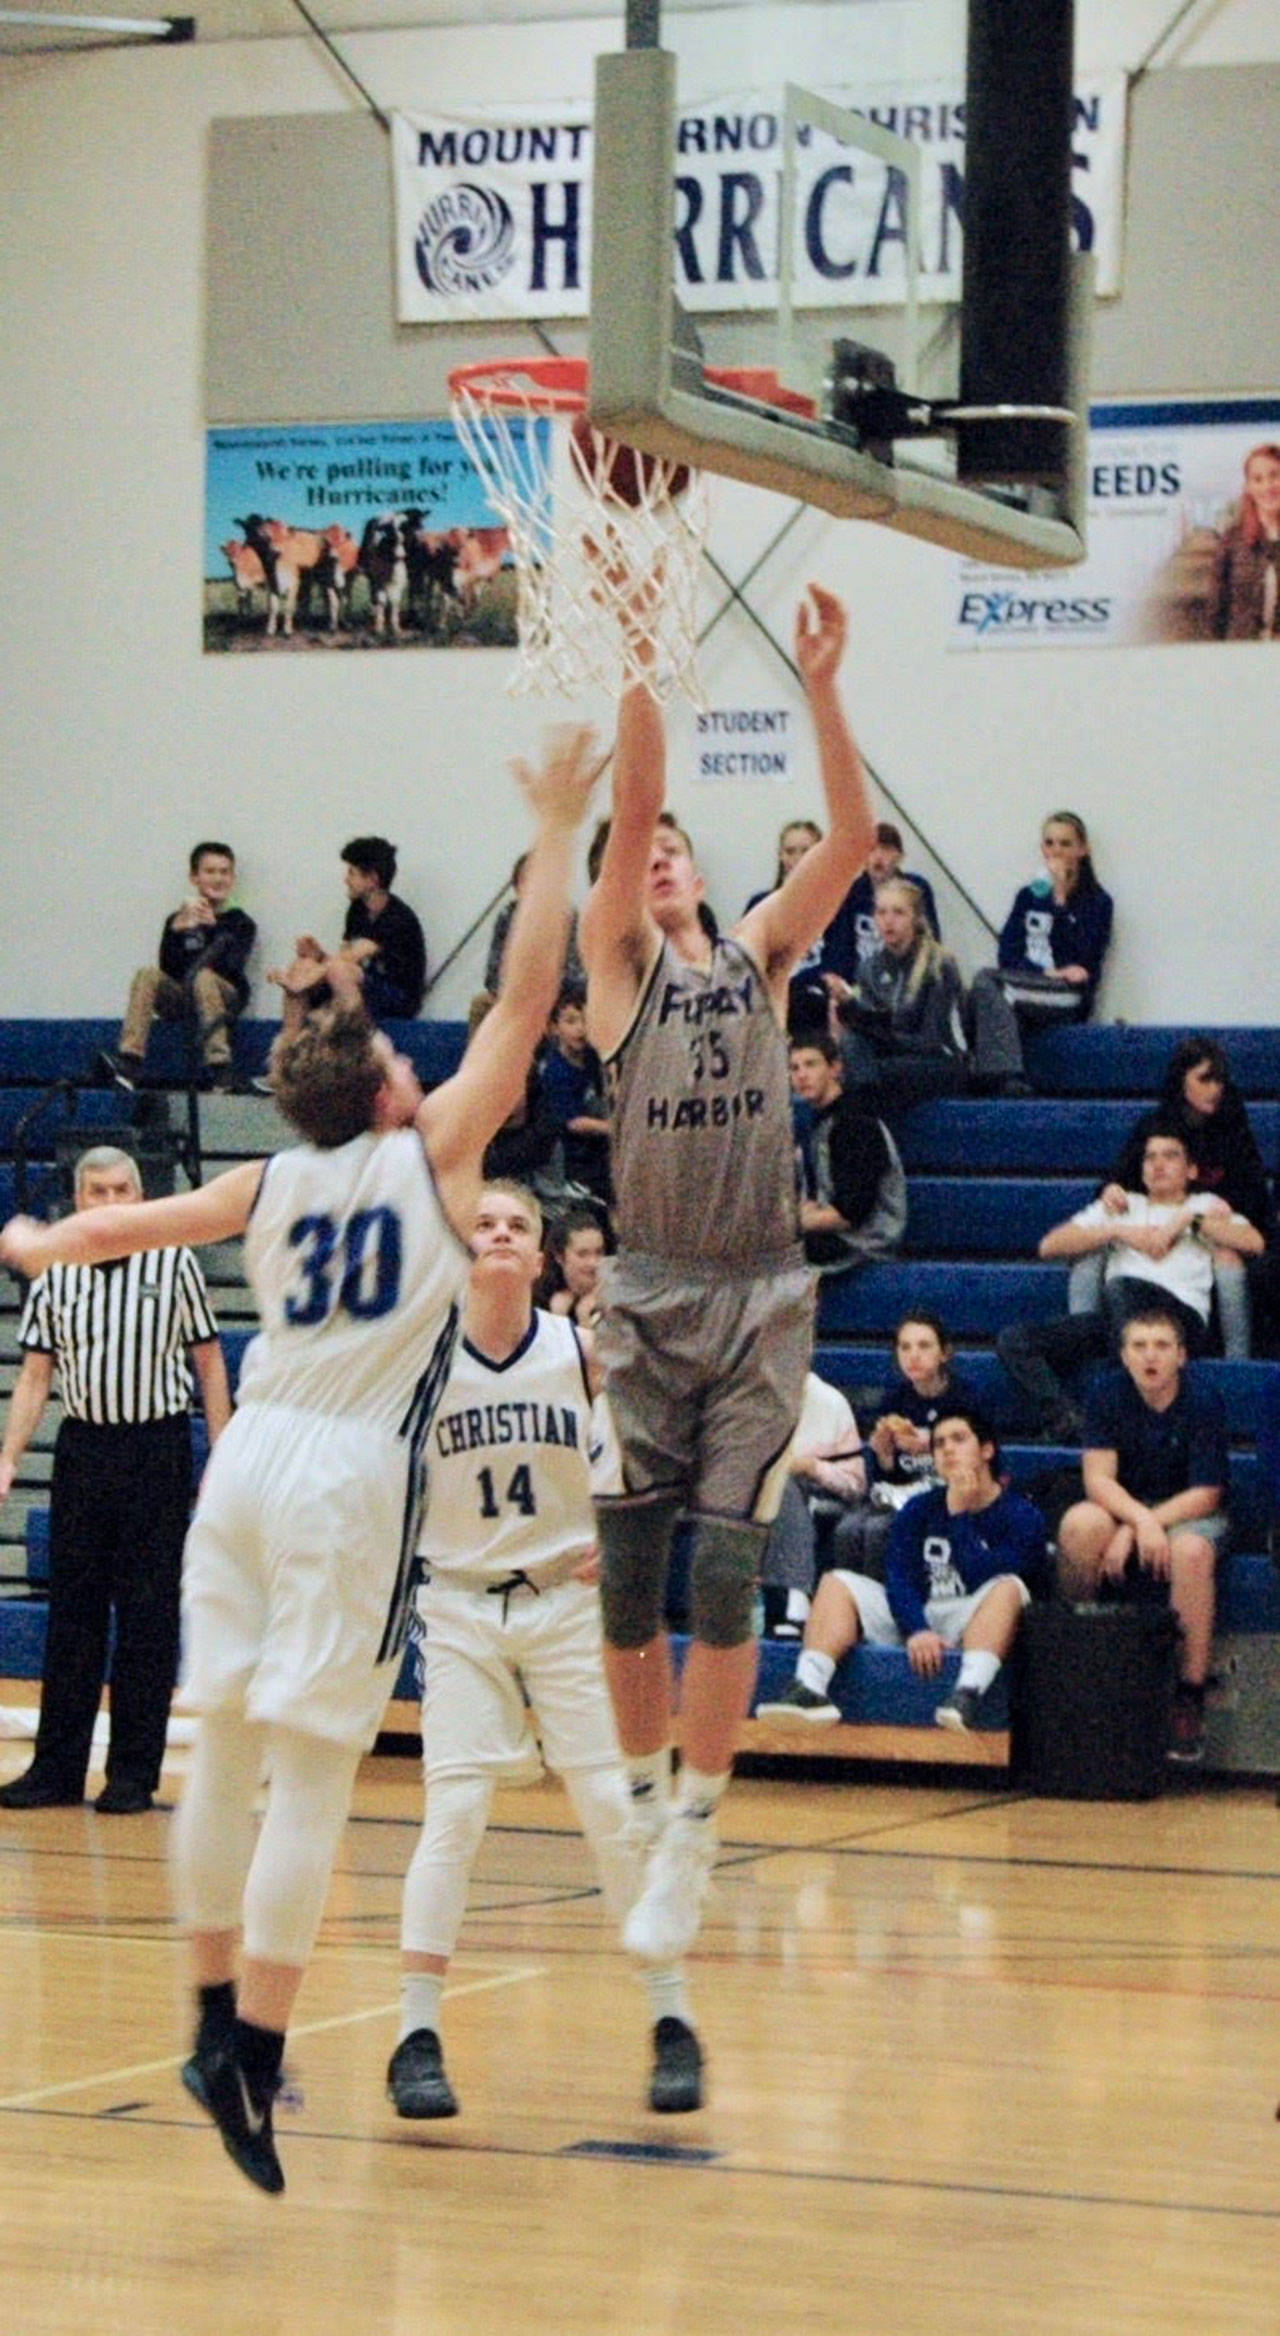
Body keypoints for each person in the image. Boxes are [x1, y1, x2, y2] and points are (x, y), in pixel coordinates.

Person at [0, 728, 600, 2195]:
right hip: (339, 1478)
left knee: (219, 1750)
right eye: (396, 1054)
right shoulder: (430, 1157)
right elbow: (526, 1000)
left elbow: (91, 1235)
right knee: (312, 1790)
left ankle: (209, 2011)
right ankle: (251, 2049)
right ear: (389, 1092)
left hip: (243, 1458)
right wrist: (556, 829)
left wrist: (21, 1240)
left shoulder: (263, 1177)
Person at [580, 576, 873, 1966]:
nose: (660, 857)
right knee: (628, 1588)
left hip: (757, 1290)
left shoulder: (759, 956)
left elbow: (860, 839)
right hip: (645, 1289)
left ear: (707, 871)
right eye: (644, 850)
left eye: (679, 849)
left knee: (723, 1583)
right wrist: (643, 653)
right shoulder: (618, 969)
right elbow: (632, 809)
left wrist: (820, 685)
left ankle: (693, 1830)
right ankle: (644, 1805)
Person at [390, 1180, 702, 2123]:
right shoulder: (420, 1358)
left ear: (541, 1259)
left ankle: (671, 2020)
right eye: (482, 1222)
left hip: (566, 1607)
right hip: (458, 1607)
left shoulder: (580, 1352)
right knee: (455, 1814)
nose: (496, 1234)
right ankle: (416, 2037)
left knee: (611, 1804)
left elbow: (660, 1444)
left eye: (515, 1226)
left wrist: (631, 1530)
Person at [0, 1145, 231, 1816]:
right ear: (78, 1202)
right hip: (83, 1449)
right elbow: (36, 1375)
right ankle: (55, 1770)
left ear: (141, 1194)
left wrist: (223, 1453)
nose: (109, 1203)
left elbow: (210, 1362)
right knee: (72, 1615)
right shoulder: (55, 1272)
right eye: (96, 1192)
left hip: (156, 1449)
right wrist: (10, 1454)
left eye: (121, 1189)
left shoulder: (175, 1261)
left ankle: (133, 1773)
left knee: (148, 1616)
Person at [758, 1404, 1046, 1731]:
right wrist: (917, 1628)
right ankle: (809, 1688)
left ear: (987, 1450)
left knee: (1010, 1587)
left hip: (975, 1617)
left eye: (959, 1439)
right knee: (837, 1583)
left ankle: (967, 1695)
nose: (948, 1449)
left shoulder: (1023, 1515)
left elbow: (982, 1575)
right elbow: (900, 1577)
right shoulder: (918, 1508)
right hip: (920, 1614)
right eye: (939, 1444)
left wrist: (960, 1517)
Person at [997, 1125, 1264, 1440]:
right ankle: (1066, 1417)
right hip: (1115, 1319)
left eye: (1170, 1156)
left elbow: (1254, 1242)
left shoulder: (1204, 1205)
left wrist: (1188, 1222)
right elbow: (1049, 1246)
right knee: (1014, 1339)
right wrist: (1117, 1232)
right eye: (1150, 1158)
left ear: (1191, 1170)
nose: (1158, 1164)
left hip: (1178, 1320)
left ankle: (1120, 1415)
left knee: (1122, 1287)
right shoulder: (1123, 1206)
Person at [1056, 1306, 1229, 1765]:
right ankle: (1080, 1663)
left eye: (1161, 1346)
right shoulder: (1106, 1393)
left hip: (1186, 1509)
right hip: (1129, 1508)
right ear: (1124, 1356)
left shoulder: (1203, 1399)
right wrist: (1138, 1522)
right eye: (1139, 1346)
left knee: (1191, 1550)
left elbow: (1207, 1493)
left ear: (1181, 1356)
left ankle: (1188, 1698)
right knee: (1079, 1524)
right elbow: (1098, 1481)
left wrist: (1148, 1525)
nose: (1150, 1356)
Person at [1067, 1036, 1275, 1347]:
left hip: (1214, 1232)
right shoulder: (1155, 1126)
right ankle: (1083, 1346)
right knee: (1091, 1252)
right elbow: (1120, 1180)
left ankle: (1238, 1363)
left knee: (1231, 1257)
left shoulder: (1234, 1127)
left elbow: (1253, 1203)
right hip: (1159, 1228)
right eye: (1205, 1079)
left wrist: (1198, 1218)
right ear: (1182, 1081)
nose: (1215, 1088)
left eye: (1219, 1080)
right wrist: (1111, 1190)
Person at [968, 812, 1113, 1097]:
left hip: (1068, 995)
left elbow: (1081, 959)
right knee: (981, 988)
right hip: (1032, 982)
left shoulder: (1098, 902)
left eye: (1065, 843)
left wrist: (1059, 902)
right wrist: (1042, 973)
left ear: (1082, 850)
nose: (1056, 851)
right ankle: (995, 1077)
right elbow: (1007, 953)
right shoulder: (1028, 897)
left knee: (990, 982)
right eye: (1050, 843)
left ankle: (1004, 1075)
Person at [833, 1311, 981, 1581]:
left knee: (880, 1530)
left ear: (944, 1353)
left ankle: (885, 1607)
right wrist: (885, 1456)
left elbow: (980, 1463)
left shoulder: (965, 1399)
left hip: (948, 1495)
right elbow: (886, 1479)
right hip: (900, 1495)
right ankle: (848, 1607)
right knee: (848, 1529)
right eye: (905, 1347)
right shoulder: (895, 1401)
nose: (913, 1355)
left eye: (924, 1346)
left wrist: (934, 1444)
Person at [111, 841, 256, 1088]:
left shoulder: (240, 922)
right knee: (147, 974)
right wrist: (178, 930)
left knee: (204, 977)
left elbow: (230, 967)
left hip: (224, 998)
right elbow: (168, 969)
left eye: (224, 872)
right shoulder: (178, 920)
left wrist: (212, 929)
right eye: (210, 872)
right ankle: (130, 1061)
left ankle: (220, 1066)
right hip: (185, 995)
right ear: (194, 878)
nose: (218, 878)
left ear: (232, 878)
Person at [827, 876, 968, 1119]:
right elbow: (870, 1030)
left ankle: (864, 1128)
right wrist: (850, 1010)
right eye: (881, 913)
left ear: (915, 918)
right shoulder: (870, 968)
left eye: (898, 913)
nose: (888, 921)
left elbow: (933, 1040)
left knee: (871, 1074)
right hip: (890, 1058)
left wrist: (885, 1037)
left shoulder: (939, 965)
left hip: (939, 1061)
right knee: (853, 1044)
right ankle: (863, 1127)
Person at [269, 836, 426, 1022]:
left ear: (372, 879)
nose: (345, 879)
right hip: (362, 984)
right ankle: (289, 1042)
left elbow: (350, 959)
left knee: (332, 971)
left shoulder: (397, 918)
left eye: (351, 873)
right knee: (303, 964)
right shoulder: (357, 909)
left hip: (397, 996)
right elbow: (342, 958)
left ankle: (351, 1036)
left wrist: (301, 983)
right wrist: (317, 956)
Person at [758, 1369, 866, 1639]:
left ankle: (795, 1595)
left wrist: (812, 1467)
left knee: (783, 1485)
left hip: (824, 1496)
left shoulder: (829, 1403)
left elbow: (855, 1485)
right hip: (756, 1497)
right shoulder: (740, 1402)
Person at [789, 1032, 906, 1274]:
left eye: (811, 1064)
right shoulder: (824, 1121)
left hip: (865, 1242)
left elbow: (849, 1213)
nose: (801, 1075)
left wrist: (791, 1222)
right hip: (845, 1234)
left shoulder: (854, 1123)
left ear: (835, 1069)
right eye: (794, 1068)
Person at [823, 819, 941, 980]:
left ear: (900, 857)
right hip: (860, 982)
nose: (878, 857)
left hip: (906, 980)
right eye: (871, 849)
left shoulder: (917, 888)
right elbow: (839, 947)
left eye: (886, 849)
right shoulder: (850, 893)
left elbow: (930, 940)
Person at [540, 980, 612, 1204]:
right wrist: (612, 1128)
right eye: (571, 1021)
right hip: (573, 1154)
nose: (580, 1028)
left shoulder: (592, 1055)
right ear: (553, 1027)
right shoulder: (556, 1070)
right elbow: (573, 1122)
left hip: (598, 1141)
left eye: (586, 1020)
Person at [1211, 442, 1280, 640]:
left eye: (1275, 475)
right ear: (1249, 487)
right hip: (1240, 656)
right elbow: (1217, 611)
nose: (1268, 486)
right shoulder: (1231, 541)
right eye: (1258, 479)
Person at [543, 1204, 608, 1329]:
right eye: (582, 1254)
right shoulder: (542, 1301)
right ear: (560, 1257)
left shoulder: (617, 1298)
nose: (594, 1263)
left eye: (599, 1252)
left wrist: (584, 1317)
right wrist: (558, 1318)